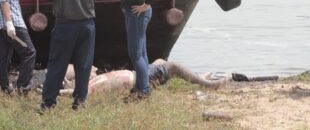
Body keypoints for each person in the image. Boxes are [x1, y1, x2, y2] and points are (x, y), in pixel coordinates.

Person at [41, 0, 102, 110]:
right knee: (84, 65)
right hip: (87, 25)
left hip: (64, 24)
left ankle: (48, 103)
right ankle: (79, 102)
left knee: (57, 63)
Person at [57, 59, 228, 98]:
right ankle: (208, 84)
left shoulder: (92, 79)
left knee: (161, 60)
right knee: (172, 66)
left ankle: (197, 76)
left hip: (136, 74)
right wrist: (66, 90)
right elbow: (77, 92)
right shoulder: (91, 86)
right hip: (137, 78)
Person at [0, 0, 36, 95]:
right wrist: (9, 23)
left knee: (4, 56)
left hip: (2, 24)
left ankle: (5, 88)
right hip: (12, 21)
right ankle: (23, 88)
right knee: (29, 52)